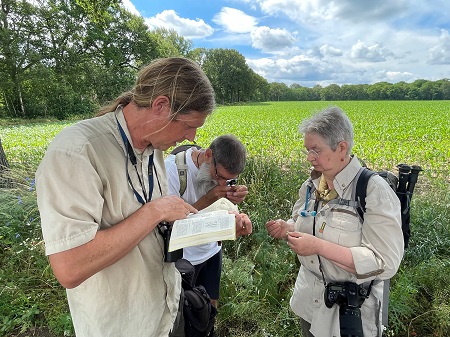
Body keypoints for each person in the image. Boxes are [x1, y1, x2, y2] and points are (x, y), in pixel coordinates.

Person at [35, 57, 252, 337]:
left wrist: (218, 226)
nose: (193, 136)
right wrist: (154, 211)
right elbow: (70, 267)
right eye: (188, 125)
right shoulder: (77, 152)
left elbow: (160, 231)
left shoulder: (153, 149)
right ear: (160, 106)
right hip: (123, 324)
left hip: (167, 309)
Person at [265, 106, 404, 337]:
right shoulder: (311, 186)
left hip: (348, 314)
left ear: (341, 148)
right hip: (309, 303)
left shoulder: (372, 191)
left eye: (316, 150)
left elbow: (385, 262)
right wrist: (288, 226)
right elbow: (305, 219)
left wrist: (317, 247)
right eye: (307, 150)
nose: (309, 157)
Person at [165, 134, 251, 308]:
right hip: (184, 259)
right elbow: (171, 224)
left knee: (209, 308)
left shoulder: (219, 173)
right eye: (219, 176)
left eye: (229, 180)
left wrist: (234, 199)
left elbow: (219, 207)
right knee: (185, 313)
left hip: (211, 251)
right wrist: (209, 198)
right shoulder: (171, 171)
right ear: (208, 155)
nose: (221, 183)